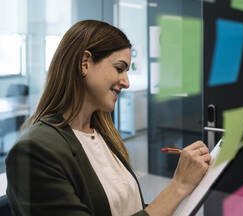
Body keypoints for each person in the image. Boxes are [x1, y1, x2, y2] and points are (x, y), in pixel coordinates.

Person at [6, 20, 211, 216]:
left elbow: (128, 208)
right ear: (84, 63)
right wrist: (179, 186)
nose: (126, 82)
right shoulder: (34, 152)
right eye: (119, 68)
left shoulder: (102, 134)